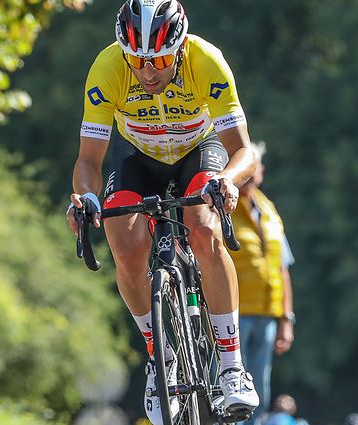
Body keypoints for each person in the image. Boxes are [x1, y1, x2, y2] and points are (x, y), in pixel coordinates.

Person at [65, 1, 259, 423]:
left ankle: (231, 365)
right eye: (137, 60)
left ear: (181, 47)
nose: (148, 71)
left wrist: (227, 180)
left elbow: (243, 150)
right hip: (137, 156)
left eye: (160, 59)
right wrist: (86, 198)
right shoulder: (107, 69)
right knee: (127, 245)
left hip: (198, 152)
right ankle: (160, 358)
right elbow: (88, 163)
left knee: (204, 229)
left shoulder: (207, 61)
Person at [228, 141, 296, 425]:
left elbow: (283, 268)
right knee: (230, 390)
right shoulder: (226, 208)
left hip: (267, 314)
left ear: (261, 170)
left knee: (259, 393)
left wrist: (286, 319)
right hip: (234, 312)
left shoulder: (269, 211)